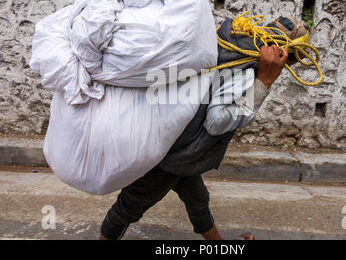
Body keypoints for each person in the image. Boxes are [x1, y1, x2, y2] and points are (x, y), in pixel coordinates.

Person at [99, 16, 306, 240]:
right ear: (283, 56)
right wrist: (264, 82)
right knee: (127, 207)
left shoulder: (226, 37)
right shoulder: (245, 68)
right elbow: (216, 122)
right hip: (170, 155)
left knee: (197, 200)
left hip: (181, 147)